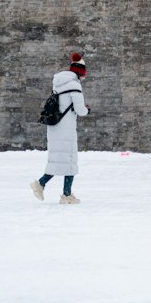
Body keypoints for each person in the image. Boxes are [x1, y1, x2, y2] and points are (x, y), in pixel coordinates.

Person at [30, 52, 89, 204]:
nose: (84, 78)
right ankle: (63, 193)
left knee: (58, 160)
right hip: (66, 128)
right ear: (80, 73)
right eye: (84, 74)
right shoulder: (75, 86)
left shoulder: (58, 84)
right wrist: (87, 109)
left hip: (55, 126)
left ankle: (46, 186)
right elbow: (81, 111)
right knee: (69, 161)